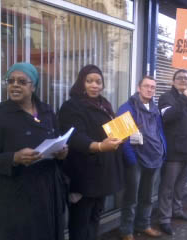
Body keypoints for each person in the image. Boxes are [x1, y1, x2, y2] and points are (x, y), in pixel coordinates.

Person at [0, 62, 68, 240]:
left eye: (22, 81)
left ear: (33, 86)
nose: (15, 85)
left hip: (47, 192)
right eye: (11, 80)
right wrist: (15, 157)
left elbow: (58, 141)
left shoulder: (47, 111)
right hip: (16, 198)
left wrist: (61, 153)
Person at [58, 64, 124, 240]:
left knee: (95, 218)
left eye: (98, 82)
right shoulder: (71, 106)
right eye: (89, 81)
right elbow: (75, 136)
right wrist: (100, 146)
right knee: (80, 221)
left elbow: (110, 131)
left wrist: (122, 134)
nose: (94, 85)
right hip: (83, 175)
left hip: (102, 175)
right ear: (81, 82)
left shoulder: (105, 104)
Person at [117, 76, 166, 240]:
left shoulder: (154, 108)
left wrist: (163, 149)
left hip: (154, 158)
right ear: (139, 88)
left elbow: (159, 131)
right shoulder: (126, 108)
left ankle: (143, 225)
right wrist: (131, 159)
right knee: (131, 198)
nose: (150, 89)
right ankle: (127, 231)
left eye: (153, 87)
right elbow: (121, 137)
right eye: (146, 86)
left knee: (147, 196)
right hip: (136, 160)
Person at [158, 69, 187, 235]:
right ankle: (164, 219)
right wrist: (183, 98)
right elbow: (168, 117)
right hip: (174, 151)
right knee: (168, 187)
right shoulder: (166, 97)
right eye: (180, 78)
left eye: (186, 78)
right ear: (172, 81)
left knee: (180, 185)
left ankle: (177, 210)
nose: (183, 80)